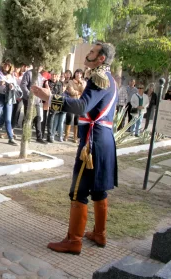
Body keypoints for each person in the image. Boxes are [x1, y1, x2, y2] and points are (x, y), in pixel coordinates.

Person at [31, 42, 118, 255]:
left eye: (92, 51)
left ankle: (74, 241)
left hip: (93, 141)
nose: (88, 54)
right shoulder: (110, 78)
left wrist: (50, 98)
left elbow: (82, 107)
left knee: (78, 191)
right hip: (103, 138)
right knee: (98, 189)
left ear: (101, 59)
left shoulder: (99, 78)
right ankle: (99, 234)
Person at [0, 59, 22, 146]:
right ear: (2, 65)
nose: (6, 66)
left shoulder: (12, 76)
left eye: (8, 65)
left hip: (9, 97)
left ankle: (10, 138)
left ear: (10, 67)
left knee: (8, 119)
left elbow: (16, 87)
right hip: (0, 96)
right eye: (5, 64)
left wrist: (12, 86)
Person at [21, 66, 47, 144]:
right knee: (28, 118)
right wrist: (29, 94)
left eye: (42, 66)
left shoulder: (40, 76)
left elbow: (40, 88)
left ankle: (39, 137)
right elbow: (23, 85)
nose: (40, 67)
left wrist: (40, 97)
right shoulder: (28, 73)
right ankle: (26, 136)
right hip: (28, 99)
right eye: (39, 65)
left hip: (37, 100)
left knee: (38, 118)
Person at [65, 69, 86, 143]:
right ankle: (66, 135)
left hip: (79, 103)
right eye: (77, 73)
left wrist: (81, 85)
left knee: (77, 120)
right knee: (69, 117)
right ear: (75, 73)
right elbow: (71, 91)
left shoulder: (83, 82)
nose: (78, 74)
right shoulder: (70, 81)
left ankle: (75, 136)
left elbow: (84, 92)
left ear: (82, 75)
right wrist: (79, 92)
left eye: (80, 73)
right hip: (71, 102)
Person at [46, 70, 63, 143]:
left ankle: (50, 135)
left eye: (56, 75)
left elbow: (60, 94)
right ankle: (46, 134)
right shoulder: (47, 82)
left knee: (52, 119)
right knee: (46, 119)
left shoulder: (59, 84)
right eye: (53, 75)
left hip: (55, 103)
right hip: (46, 101)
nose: (54, 77)